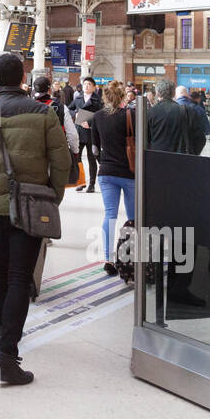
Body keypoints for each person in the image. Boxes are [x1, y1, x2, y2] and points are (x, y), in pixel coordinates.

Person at [0, 53, 70, 386]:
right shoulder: (43, 113)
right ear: (23, 79)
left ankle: (0, 320)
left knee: (1, 270)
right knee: (21, 276)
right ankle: (7, 356)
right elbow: (61, 159)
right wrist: (53, 195)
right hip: (32, 205)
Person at [91, 80, 135, 276]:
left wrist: (104, 161)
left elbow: (94, 149)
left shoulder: (97, 117)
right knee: (133, 217)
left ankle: (108, 259)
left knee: (110, 215)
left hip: (106, 172)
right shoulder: (130, 115)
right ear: (122, 96)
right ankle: (130, 258)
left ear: (105, 96)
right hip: (129, 172)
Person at [145, 79, 202, 154]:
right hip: (181, 158)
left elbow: (145, 139)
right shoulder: (188, 111)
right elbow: (200, 138)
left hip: (157, 158)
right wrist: (192, 154)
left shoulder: (150, 113)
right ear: (173, 93)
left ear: (157, 93)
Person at [70, 76, 102, 193]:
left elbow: (101, 115)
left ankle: (92, 184)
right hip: (79, 131)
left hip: (91, 132)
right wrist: (75, 114)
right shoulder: (78, 98)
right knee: (77, 158)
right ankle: (81, 181)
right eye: (85, 84)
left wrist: (90, 122)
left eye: (89, 84)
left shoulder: (97, 100)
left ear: (94, 87)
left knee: (91, 158)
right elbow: (69, 109)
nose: (86, 86)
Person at [175, 85, 210, 154]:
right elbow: (207, 130)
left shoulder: (170, 109)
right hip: (193, 149)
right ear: (187, 95)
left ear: (176, 95)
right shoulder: (198, 109)